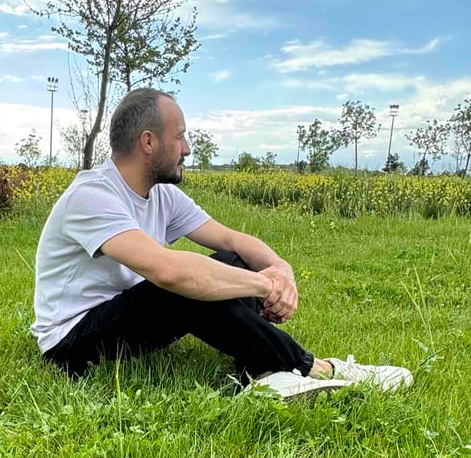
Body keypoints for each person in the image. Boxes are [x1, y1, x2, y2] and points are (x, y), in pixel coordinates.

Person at [31, 88, 413, 398]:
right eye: (179, 137)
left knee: (233, 260)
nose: (187, 148)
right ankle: (316, 367)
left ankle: (264, 374)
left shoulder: (162, 195)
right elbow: (169, 273)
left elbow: (233, 239)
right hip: (72, 343)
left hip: (126, 319)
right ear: (148, 141)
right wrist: (264, 286)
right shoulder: (92, 196)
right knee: (180, 284)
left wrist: (281, 270)